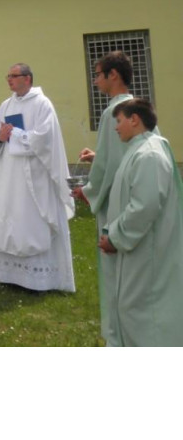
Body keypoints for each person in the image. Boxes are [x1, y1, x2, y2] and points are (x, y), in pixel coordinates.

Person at [99, 99, 183, 346]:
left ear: (134, 119)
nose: (116, 128)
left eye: (119, 121)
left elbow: (145, 206)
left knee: (146, 309)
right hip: (137, 247)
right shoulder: (139, 150)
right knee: (132, 307)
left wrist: (115, 237)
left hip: (148, 250)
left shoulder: (150, 155)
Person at [0, 63, 75, 292]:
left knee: (31, 218)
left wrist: (13, 134)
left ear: (27, 78)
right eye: (8, 76)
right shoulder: (6, 105)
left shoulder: (42, 104)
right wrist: (0, 137)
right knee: (11, 216)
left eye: (13, 76)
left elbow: (44, 138)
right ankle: (10, 275)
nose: (9, 80)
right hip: (10, 174)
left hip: (35, 174)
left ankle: (40, 279)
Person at [74, 50, 133, 344]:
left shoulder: (114, 111)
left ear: (113, 75)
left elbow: (111, 167)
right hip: (129, 193)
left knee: (116, 271)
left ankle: (117, 335)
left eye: (98, 74)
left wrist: (87, 191)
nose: (95, 80)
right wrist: (98, 156)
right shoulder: (134, 106)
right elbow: (124, 155)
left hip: (116, 201)